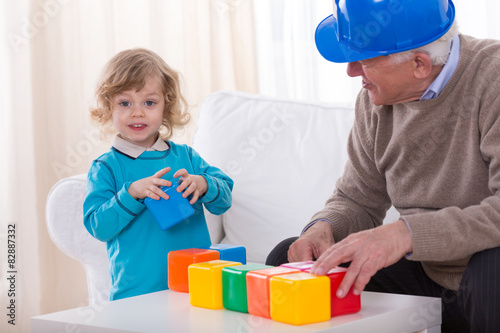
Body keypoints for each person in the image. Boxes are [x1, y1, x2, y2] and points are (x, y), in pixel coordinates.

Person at [266, 0, 500, 332]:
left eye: (363, 60)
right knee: (287, 261)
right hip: (424, 270)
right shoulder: (377, 98)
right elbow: (358, 198)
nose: (350, 71)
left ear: (419, 64)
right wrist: (323, 227)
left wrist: (405, 234)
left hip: (484, 275)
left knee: (492, 271)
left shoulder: (493, 78)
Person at [83, 48, 233, 301]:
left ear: (166, 104)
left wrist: (204, 184)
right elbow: (98, 227)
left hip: (196, 287)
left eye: (149, 102)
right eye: (125, 103)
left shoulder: (186, 156)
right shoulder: (106, 167)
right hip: (137, 293)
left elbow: (224, 200)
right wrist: (131, 194)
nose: (137, 112)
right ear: (109, 107)